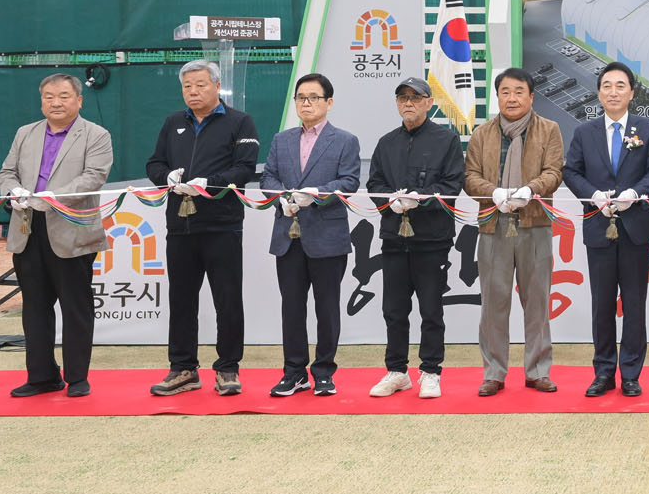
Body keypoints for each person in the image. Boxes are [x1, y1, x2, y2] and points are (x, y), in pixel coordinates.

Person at [144, 60, 261, 397]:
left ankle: (228, 368)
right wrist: (165, 177)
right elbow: (154, 162)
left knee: (227, 299)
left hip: (222, 225)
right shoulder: (173, 122)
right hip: (179, 225)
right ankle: (183, 368)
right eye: (187, 86)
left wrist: (209, 183)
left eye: (200, 84)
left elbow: (245, 168)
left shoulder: (239, 121)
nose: (193, 91)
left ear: (217, 85)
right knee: (181, 300)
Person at [0, 74, 113, 398]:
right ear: (41, 101)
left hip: (71, 230)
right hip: (27, 228)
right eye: (48, 96)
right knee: (34, 306)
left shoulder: (96, 135)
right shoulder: (25, 133)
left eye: (63, 96)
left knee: (76, 307)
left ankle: (77, 377)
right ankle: (42, 376)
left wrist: (53, 197)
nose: (55, 102)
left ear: (79, 100)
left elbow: (94, 177)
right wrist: (13, 191)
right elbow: (7, 172)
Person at [562, 61, 649, 397]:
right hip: (599, 226)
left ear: (632, 92)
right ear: (598, 93)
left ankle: (631, 373)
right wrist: (592, 195)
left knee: (634, 303)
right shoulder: (584, 132)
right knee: (602, 303)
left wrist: (635, 193)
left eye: (620, 86)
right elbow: (570, 172)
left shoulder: (648, 128)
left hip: (637, 227)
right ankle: (604, 372)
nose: (613, 92)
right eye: (607, 86)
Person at [259, 73, 363, 398]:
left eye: (314, 97)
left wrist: (316, 194)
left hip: (327, 236)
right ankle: (294, 372)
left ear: (328, 102)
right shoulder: (282, 140)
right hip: (287, 235)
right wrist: (281, 197)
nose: (306, 103)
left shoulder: (345, 140)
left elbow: (349, 181)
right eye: (301, 97)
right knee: (292, 307)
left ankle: (324, 372)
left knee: (327, 308)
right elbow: (268, 177)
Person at [465, 67, 565, 396]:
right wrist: (492, 192)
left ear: (531, 96)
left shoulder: (549, 130)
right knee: (494, 303)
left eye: (519, 91)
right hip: (493, 225)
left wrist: (530, 190)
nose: (512, 98)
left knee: (536, 302)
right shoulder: (481, 134)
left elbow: (554, 171)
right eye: (505, 92)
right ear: (497, 96)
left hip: (535, 224)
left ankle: (537, 371)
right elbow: (470, 177)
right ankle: (493, 372)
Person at [367, 77, 464, 400]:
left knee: (431, 310)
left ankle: (431, 371)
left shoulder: (446, 140)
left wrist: (420, 199)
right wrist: (390, 201)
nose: (408, 103)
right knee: (394, 310)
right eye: (402, 98)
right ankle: (397, 371)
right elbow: (374, 183)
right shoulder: (386, 143)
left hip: (432, 240)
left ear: (429, 102)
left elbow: (452, 185)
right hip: (394, 238)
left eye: (415, 97)